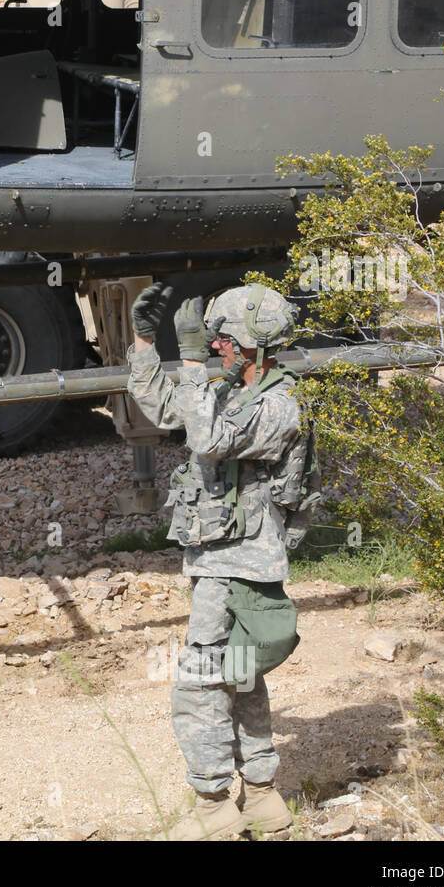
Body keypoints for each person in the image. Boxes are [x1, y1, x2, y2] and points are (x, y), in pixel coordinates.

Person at [127, 283, 316, 840]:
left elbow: (206, 439)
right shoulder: (234, 390)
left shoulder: (280, 406)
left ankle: (213, 805)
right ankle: (261, 797)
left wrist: (188, 361)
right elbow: (168, 409)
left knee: (200, 679)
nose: (216, 350)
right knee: (238, 676)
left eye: (225, 341)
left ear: (256, 348)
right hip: (220, 557)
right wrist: (142, 343)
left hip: (241, 562)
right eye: (212, 343)